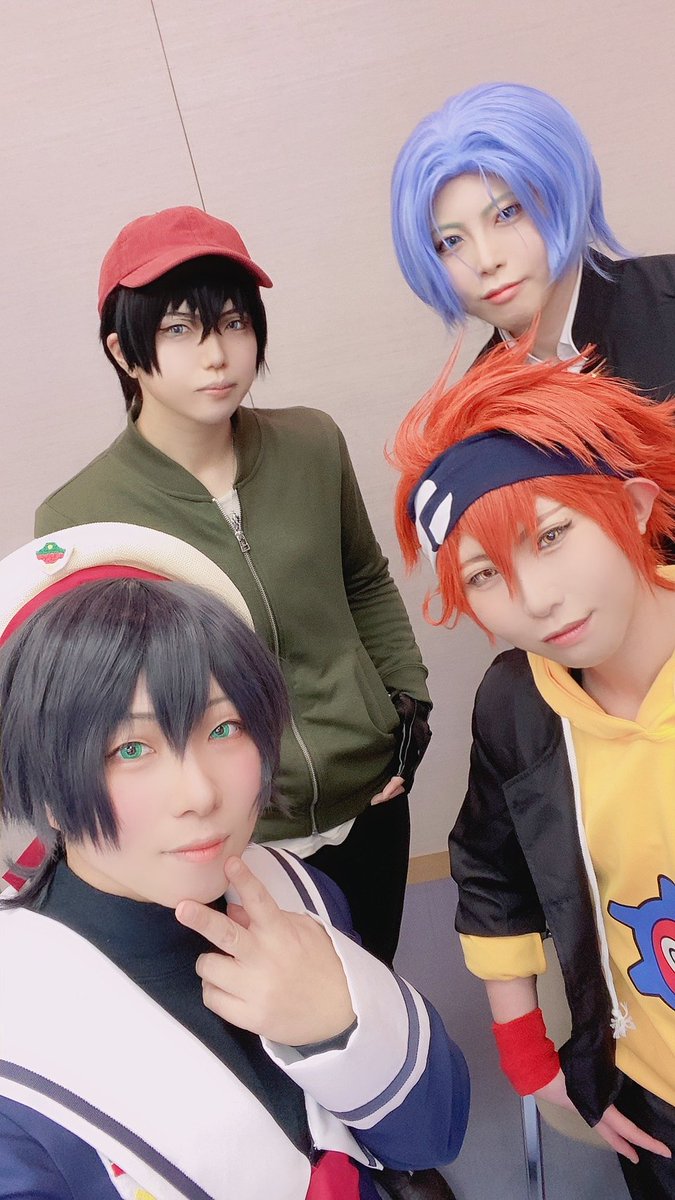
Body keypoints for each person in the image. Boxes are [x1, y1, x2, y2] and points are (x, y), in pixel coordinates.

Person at [0, 523, 470, 1200]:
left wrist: (339, 1026)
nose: (200, 794)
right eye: (129, 749)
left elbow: (432, 1138)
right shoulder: (17, 1049)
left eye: (224, 728)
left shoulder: (299, 891)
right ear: (44, 786)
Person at [33, 205, 432, 971]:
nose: (216, 355)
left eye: (233, 323)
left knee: (370, 980)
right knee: (256, 1013)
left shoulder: (312, 441)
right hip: (231, 831)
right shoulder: (79, 518)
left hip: (368, 796)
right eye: (180, 329)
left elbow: (364, 578)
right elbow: (96, 707)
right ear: (123, 350)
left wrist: (406, 704)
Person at [391, 335, 675, 1198]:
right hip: (650, 1088)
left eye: (551, 535)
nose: (534, 599)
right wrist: (530, 1057)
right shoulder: (519, 704)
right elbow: (492, 871)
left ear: (631, 506)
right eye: (484, 575)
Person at [391, 82, 675, 398]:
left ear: (562, 195)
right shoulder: (476, 414)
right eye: (450, 242)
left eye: (507, 213)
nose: (486, 261)